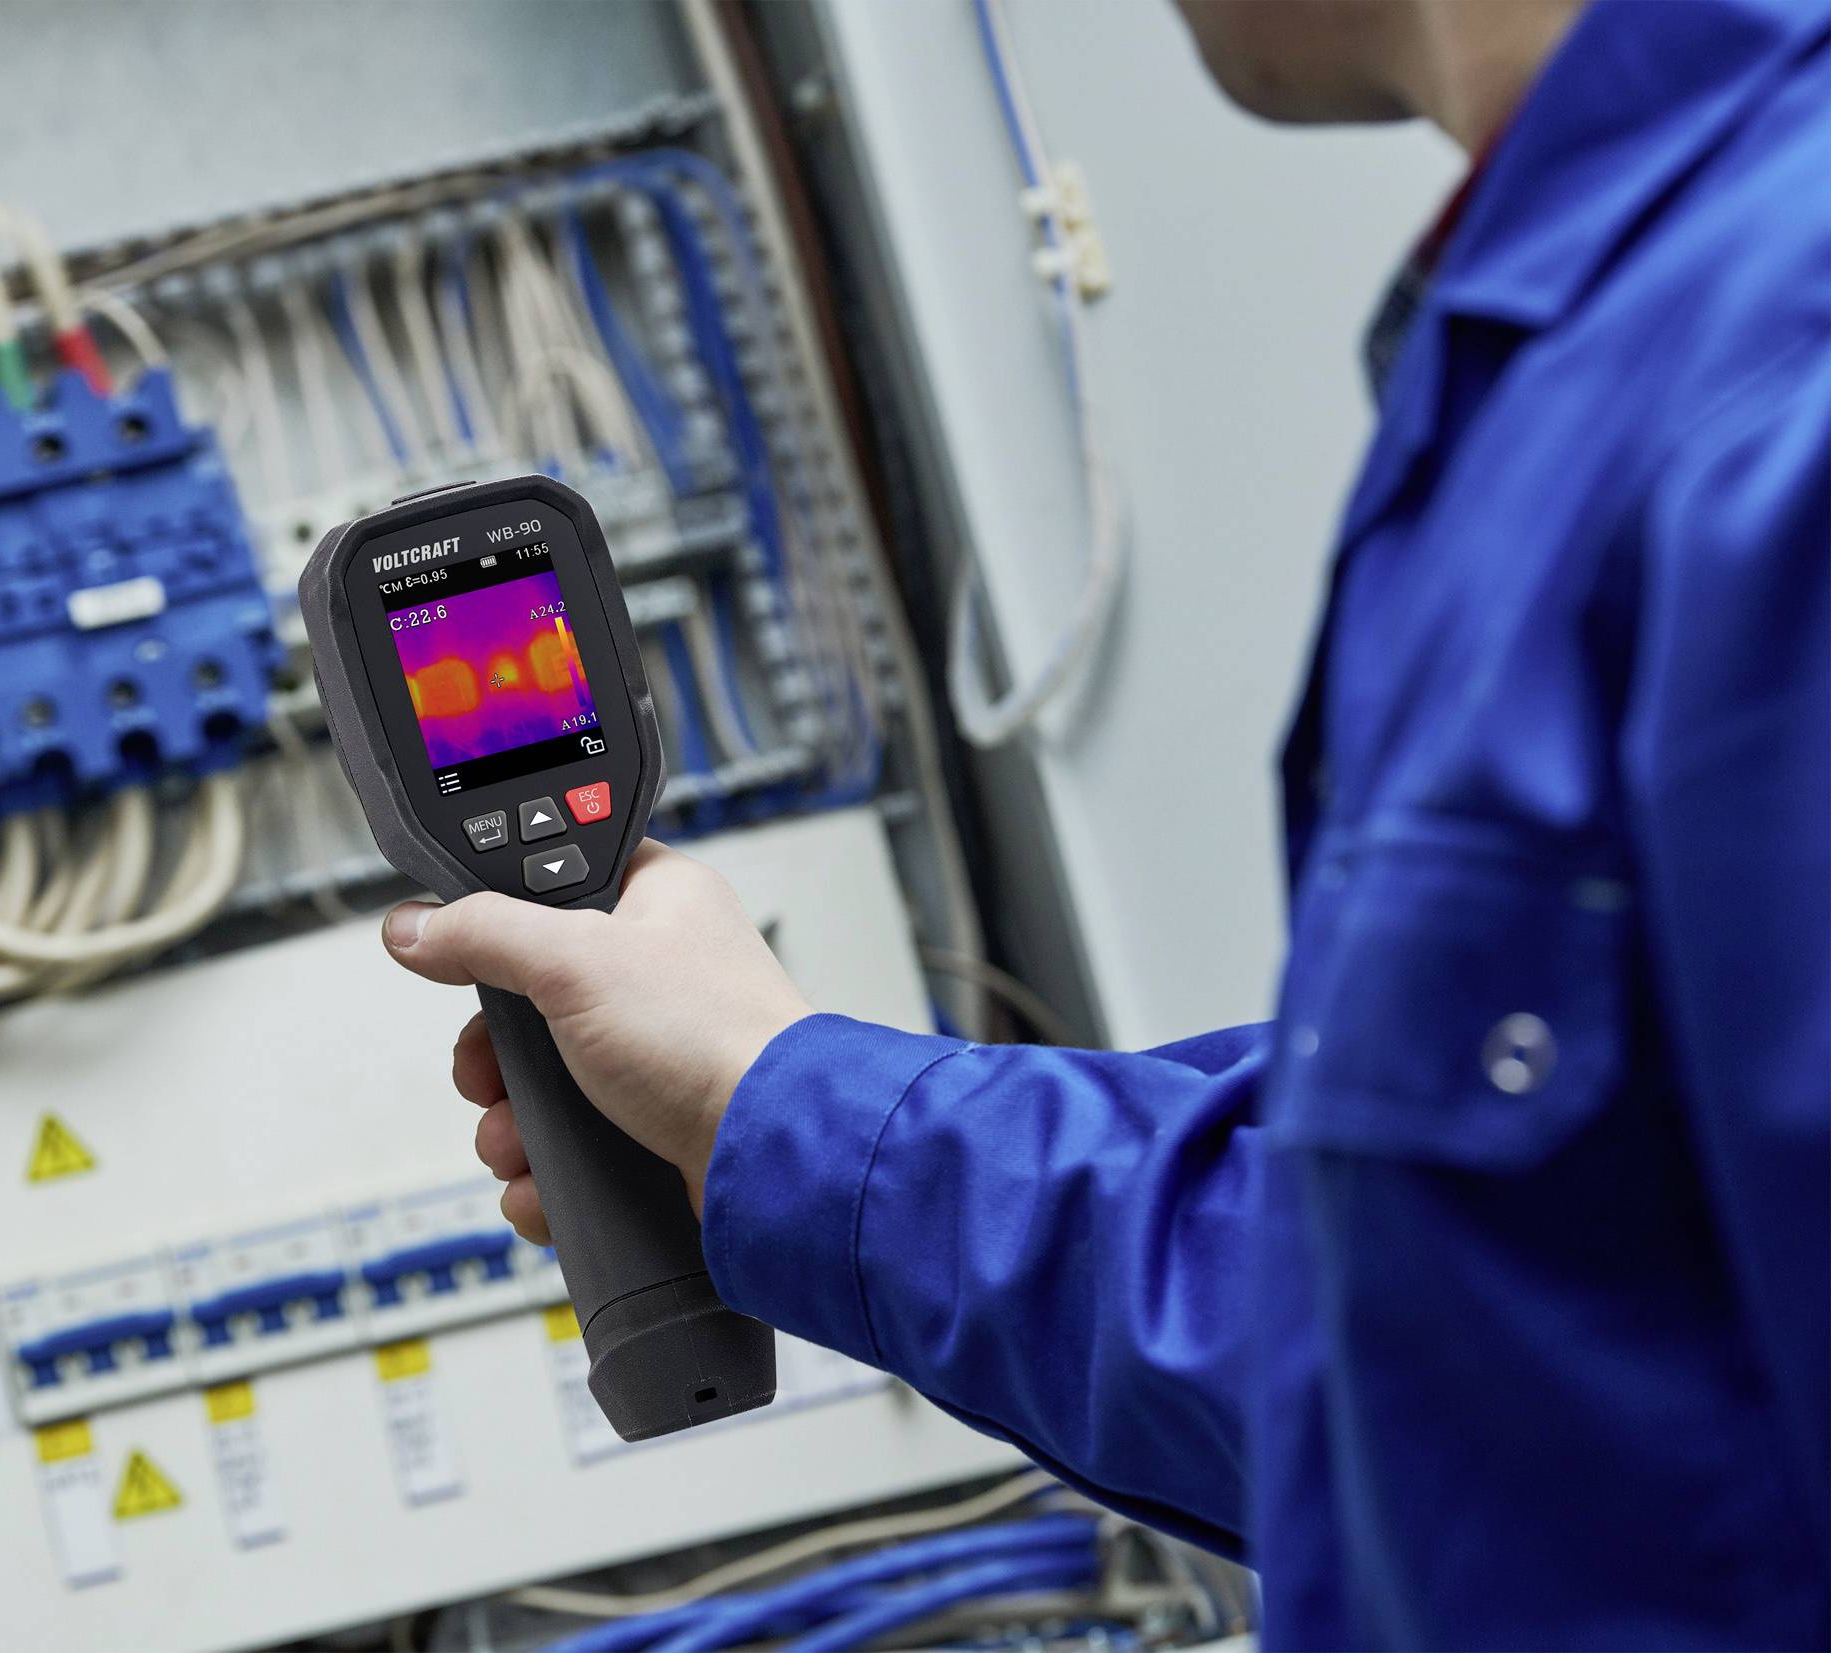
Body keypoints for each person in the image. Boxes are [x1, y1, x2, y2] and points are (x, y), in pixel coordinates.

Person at [379, 0, 1831, 1646]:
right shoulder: (1596, 345)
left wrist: (781, 1112)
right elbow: (1451, 1355)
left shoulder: (1774, 399)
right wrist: (764, 1103)